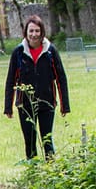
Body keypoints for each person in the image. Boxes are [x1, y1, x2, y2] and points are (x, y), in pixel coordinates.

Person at [4, 15, 70, 160]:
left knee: (47, 140)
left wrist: (65, 105)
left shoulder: (51, 51)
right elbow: (10, 80)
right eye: (31, 31)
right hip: (25, 105)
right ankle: (33, 173)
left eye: (37, 31)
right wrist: (8, 106)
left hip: (47, 103)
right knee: (30, 141)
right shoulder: (18, 53)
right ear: (26, 33)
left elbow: (61, 78)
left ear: (42, 32)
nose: (34, 35)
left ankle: (51, 172)